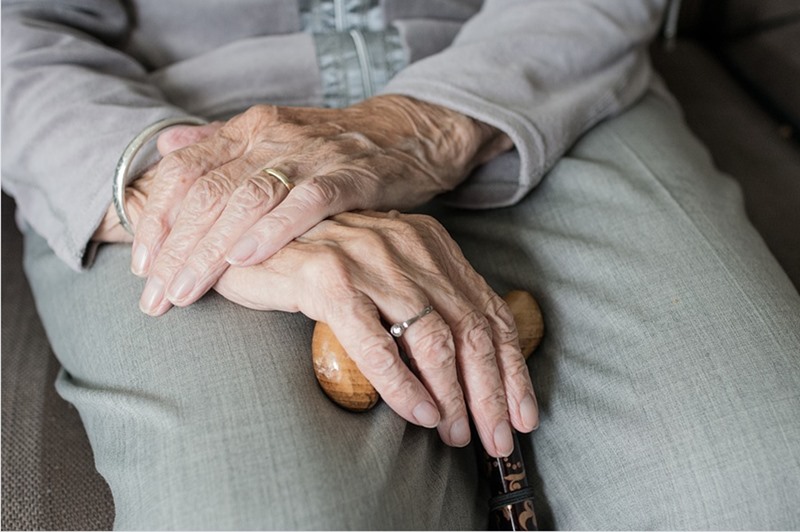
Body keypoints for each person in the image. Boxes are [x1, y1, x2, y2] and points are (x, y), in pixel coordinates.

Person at [3, 0, 799, 529]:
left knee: (762, 482)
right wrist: (184, 196)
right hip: (160, 123)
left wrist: (422, 127)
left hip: (536, 75)